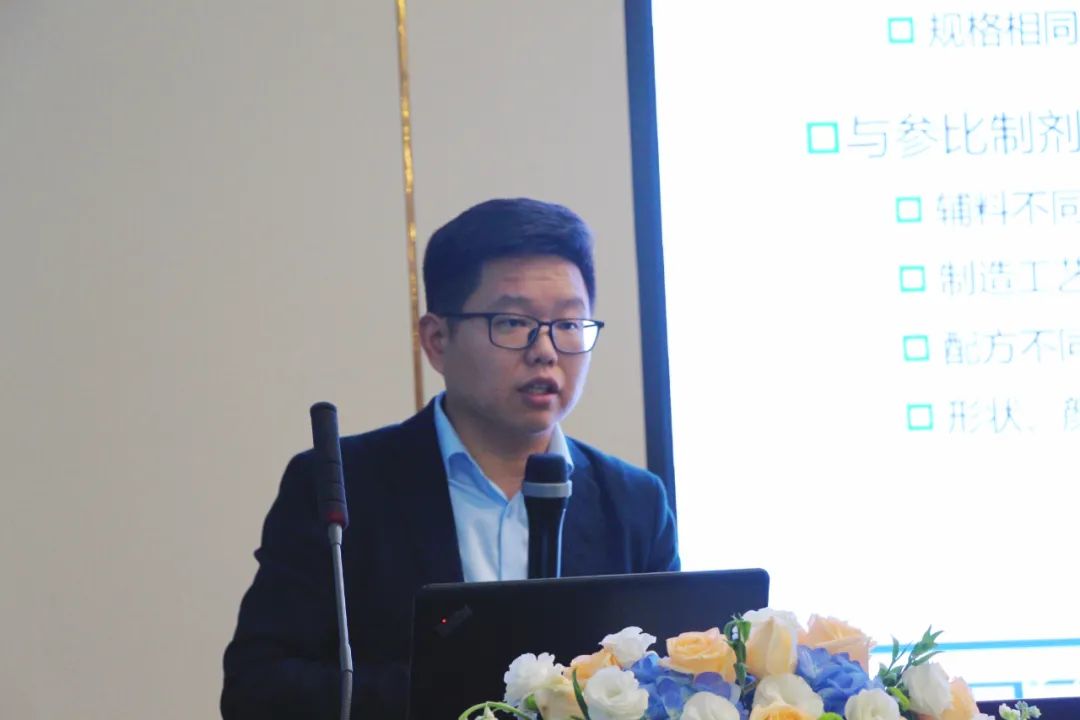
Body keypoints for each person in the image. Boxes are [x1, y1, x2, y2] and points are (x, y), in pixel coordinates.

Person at [220, 197, 680, 719]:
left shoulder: (634, 503)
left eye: (570, 324)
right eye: (513, 322)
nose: (546, 350)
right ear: (437, 340)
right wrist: (462, 692)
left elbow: (667, 685)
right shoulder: (341, 488)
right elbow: (257, 691)